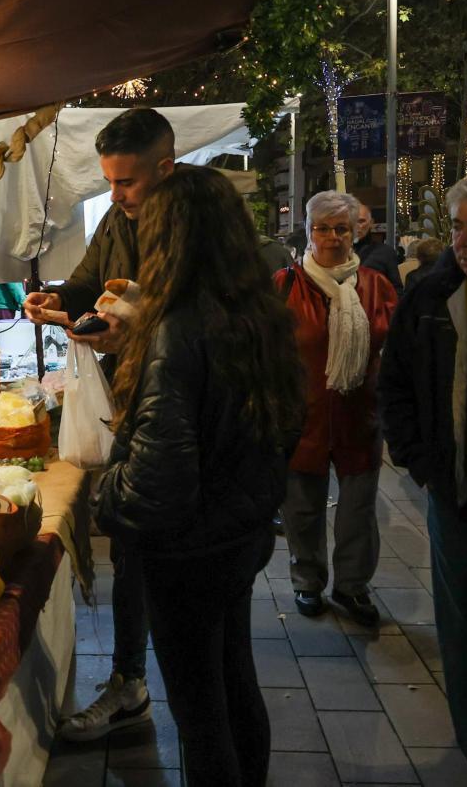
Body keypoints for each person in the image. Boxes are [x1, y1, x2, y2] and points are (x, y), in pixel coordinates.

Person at [93, 167, 305, 786]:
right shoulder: (259, 312)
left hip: (188, 552)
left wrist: (103, 496)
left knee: (200, 715)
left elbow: (156, 484)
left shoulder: (178, 328)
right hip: (239, 535)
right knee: (236, 683)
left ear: (171, 239)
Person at [25, 108, 176, 741]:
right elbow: (90, 283)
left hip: (172, 409)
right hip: (127, 400)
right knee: (135, 544)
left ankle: (144, 677)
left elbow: (195, 320)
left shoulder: (193, 227)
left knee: (166, 554)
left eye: (127, 183)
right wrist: (57, 298)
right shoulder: (117, 218)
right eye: (110, 182)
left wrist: (139, 323)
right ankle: (129, 680)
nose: (115, 196)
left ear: (165, 168)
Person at [378, 165, 467, 787]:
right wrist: (422, 466)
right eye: (457, 227)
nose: (463, 241)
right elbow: (395, 383)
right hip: (461, 491)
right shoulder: (431, 294)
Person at [275, 191, 397, 626]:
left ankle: (352, 586)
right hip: (300, 418)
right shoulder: (284, 286)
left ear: (356, 233)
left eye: (341, 228)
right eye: (322, 228)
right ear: (308, 232)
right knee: (302, 510)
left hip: (359, 417)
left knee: (357, 512)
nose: (332, 237)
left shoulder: (375, 286)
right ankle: (307, 582)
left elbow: (396, 351)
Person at [354, 202, 403, 293]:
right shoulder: (338, 252)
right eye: (352, 221)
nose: (356, 226)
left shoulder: (385, 252)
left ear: (371, 223)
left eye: (361, 221)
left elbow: (396, 290)